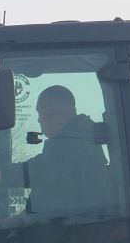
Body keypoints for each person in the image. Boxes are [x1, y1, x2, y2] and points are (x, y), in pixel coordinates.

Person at [20, 85, 108, 218]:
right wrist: (20, 219)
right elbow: (46, 197)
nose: (39, 119)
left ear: (60, 113)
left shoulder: (72, 145)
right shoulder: (80, 139)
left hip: (75, 231)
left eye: (42, 113)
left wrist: (1, 176)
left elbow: (36, 171)